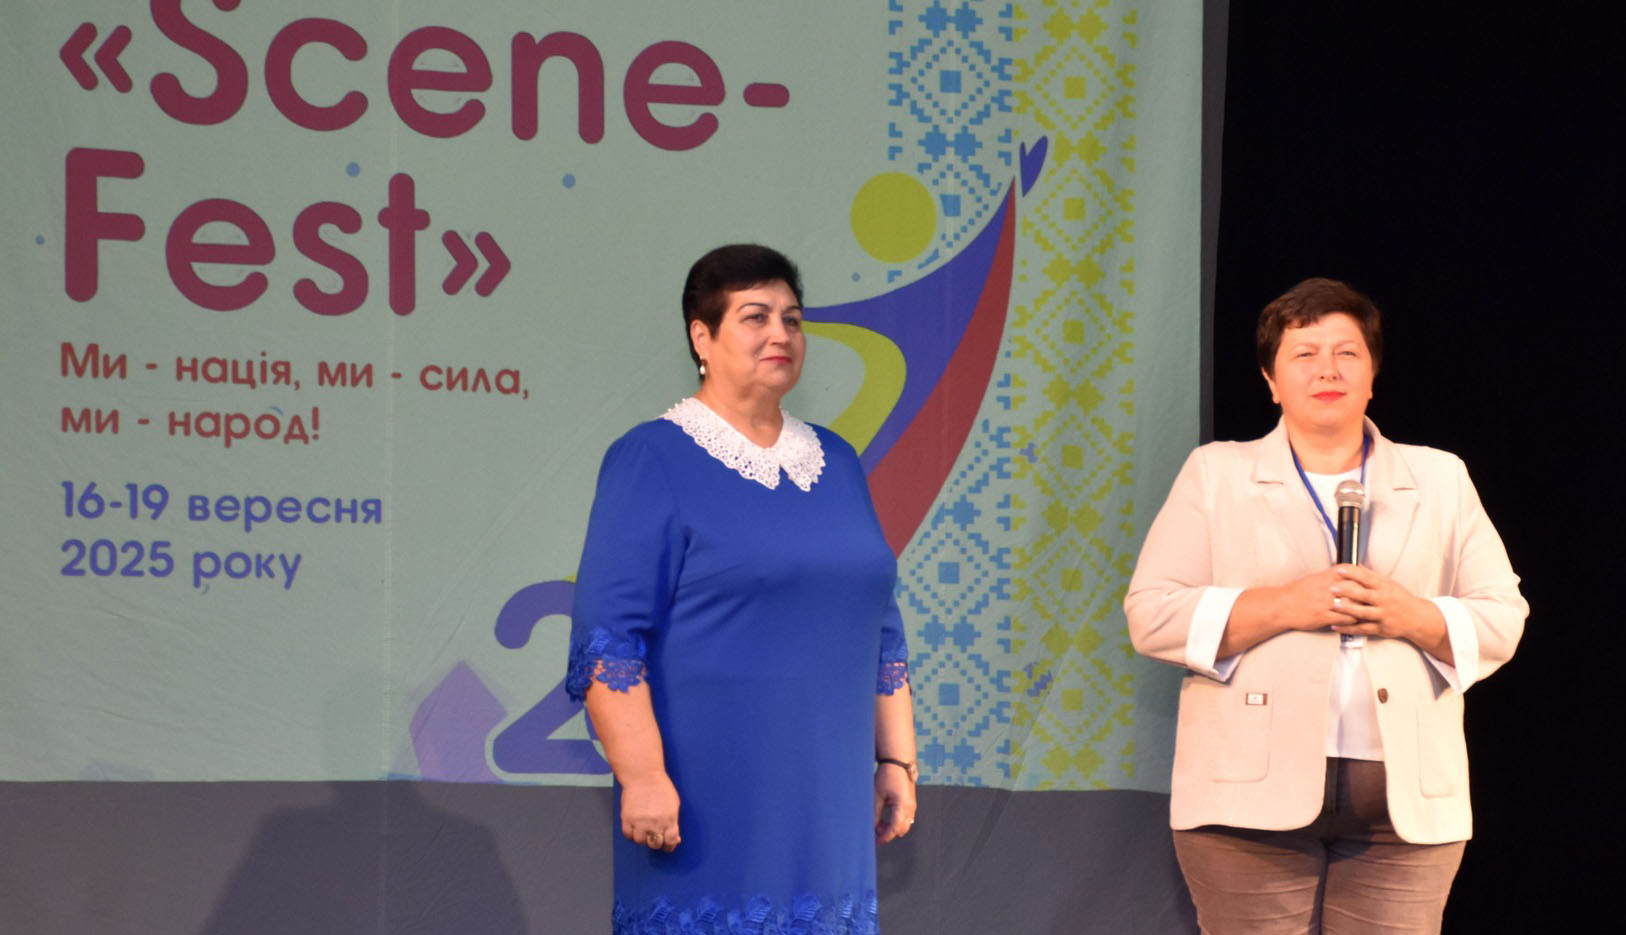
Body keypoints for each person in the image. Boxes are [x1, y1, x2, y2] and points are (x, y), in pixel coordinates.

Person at [1124, 278, 1527, 934]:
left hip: (1405, 810)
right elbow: (1153, 612)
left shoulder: (1439, 478)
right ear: (1270, 380)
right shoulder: (1216, 474)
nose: (1327, 370)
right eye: (1304, 354)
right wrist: (1285, 604)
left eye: (1347, 353)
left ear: (1372, 375)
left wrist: (1410, 615)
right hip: (1243, 803)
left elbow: (1503, 615)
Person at [565, 244, 918, 934]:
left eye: (792, 319)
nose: (780, 333)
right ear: (702, 336)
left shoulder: (838, 461)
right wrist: (642, 775)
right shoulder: (652, 456)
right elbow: (609, 639)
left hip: (829, 801)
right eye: (755, 317)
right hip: (705, 798)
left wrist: (896, 759)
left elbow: (882, 628)